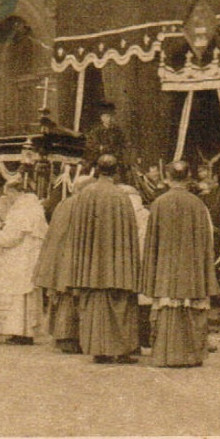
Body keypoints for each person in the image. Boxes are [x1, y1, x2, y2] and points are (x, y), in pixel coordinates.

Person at [141, 161, 220, 368]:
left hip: (166, 266)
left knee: (167, 306)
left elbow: (152, 242)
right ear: (188, 178)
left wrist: (151, 270)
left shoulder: (159, 203)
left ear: (168, 177)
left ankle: (166, 354)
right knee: (191, 307)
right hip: (190, 266)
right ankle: (191, 355)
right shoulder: (198, 204)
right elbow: (206, 241)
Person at [67, 154, 140, 365]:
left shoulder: (85, 195)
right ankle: (120, 350)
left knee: (94, 302)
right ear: (116, 171)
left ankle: (98, 348)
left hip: (90, 262)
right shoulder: (121, 196)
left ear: (97, 170)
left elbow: (77, 232)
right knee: (120, 304)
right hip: (117, 263)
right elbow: (130, 235)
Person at [34, 175, 94, 354]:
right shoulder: (84, 205)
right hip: (76, 258)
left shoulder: (63, 204)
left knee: (64, 298)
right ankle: (73, 337)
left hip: (61, 258)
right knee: (74, 298)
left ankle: (62, 336)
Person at [0, 181, 49, 345]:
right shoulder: (35, 207)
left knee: (16, 296)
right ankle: (25, 331)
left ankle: (19, 332)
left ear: (15, 192)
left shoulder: (21, 209)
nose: (8, 198)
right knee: (24, 296)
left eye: (8, 194)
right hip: (27, 259)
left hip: (17, 259)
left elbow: (12, 237)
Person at [121, 185, 151, 352]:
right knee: (143, 299)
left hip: (128, 261)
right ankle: (143, 338)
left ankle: (134, 341)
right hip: (141, 259)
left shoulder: (122, 213)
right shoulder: (145, 215)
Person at [83, 101, 126, 171]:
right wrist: (101, 148)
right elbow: (91, 145)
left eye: (110, 117)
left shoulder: (117, 131)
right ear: (101, 118)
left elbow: (122, 144)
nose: (109, 119)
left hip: (115, 158)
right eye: (106, 117)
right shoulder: (96, 131)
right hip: (99, 158)